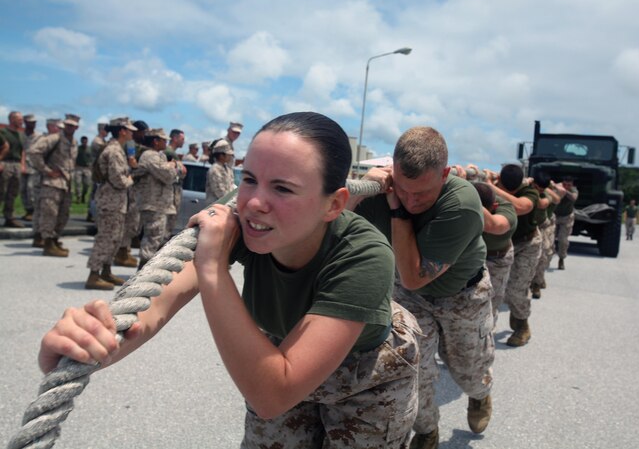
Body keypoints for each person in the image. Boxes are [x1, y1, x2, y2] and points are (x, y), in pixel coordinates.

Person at [37, 112, 420, 448]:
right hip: (284, 347)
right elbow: (154, 307)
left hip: (368, 369)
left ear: (334, 204)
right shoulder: (247, 222)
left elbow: (273, 393)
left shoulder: (366, 254)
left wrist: (213, 269)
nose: (254, 201)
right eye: (249, 178)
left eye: (283, 188)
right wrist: (88, 346)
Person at [350, 126, 494, 445]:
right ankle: (427, 431)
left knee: (468, 369)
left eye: (422, 193)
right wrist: (364, 188)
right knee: (414, 371)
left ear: (443, 174)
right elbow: (326, 224)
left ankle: (480, 394)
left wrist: (397, 209)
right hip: (410, 297)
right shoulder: (384, 190)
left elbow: (415, 274)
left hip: (463, 296)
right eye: (404, 189)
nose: (413, 200)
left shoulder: (462, 203)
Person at [489, 164, 541, 347]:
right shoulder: (495, 184)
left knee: (517, 288)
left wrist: (492, 187)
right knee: (493, 291)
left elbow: (521, 207)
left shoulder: (529, 191)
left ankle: (522, 325)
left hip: (527, 244)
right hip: (505, 244)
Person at [85, 118, 137, 290]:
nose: (132, 133)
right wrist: (131, 178)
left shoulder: (118, 150)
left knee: (114, 238)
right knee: (106, 238)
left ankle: (106, 271)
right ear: (122, 131)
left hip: (117, 202)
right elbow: (118, 180)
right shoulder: (114, 151)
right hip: (110, 201)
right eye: (129, 130)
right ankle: (93, 274)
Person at [29, 113, 80, 256]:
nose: (70, 128)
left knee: (63, 215)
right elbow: (33, 152)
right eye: (68, 125)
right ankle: (48, 243)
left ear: (77, 127)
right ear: (64, 125)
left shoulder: (74, 142)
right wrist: (47, 170)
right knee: (49, 214)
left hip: (66, 183)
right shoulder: (54, 138)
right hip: (52, 184)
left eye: (73, 126)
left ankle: (55, 239)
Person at [471, 180, 517, 328]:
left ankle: (488, 338)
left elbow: (494, 225)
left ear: (494, 207)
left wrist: (469, 199)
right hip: (473, 259)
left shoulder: (506, 209)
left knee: (491, 304)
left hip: (497, 260)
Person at [134, 128, 177, 269]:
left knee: (158, 238)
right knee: (152, 238)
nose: (166, 142)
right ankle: (143, 270)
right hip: (153, 204)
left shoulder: (160, 156)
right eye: (164, 140)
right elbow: (167, 175)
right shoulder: (149, 155)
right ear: (155, 141)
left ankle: (149, 269)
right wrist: (172, 166)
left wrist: (172, 168)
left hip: (160, 204)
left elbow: (175, 175)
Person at [114, 120, 148, 268]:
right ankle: (122, 251)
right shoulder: (130, 145)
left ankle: (124, 249)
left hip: (133, 187)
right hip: (130, 187)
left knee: (133, 222)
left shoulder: (135, 146)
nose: (144, 135)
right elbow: (132, 165)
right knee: (130, 221)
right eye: (143, 132)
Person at [30, 119, 63, 248]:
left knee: (48, 209)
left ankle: (46, 236)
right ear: (50, 127)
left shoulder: (57, 141)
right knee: (40, 208)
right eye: (57, 127)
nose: (60, 130)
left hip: (50, 179)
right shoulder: (43, 139)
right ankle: (38, 236)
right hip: (41, 178)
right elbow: (34, 153)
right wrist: (46, 170)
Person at [530, 175, 563, 299]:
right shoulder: (528, 188)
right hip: (528, 227)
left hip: (543, 227)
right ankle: (531, 282)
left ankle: (536, 284)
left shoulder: (546, 194)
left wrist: (547, 188)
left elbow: (557, 199)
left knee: (543, 257)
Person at [0, 111, 27, 228]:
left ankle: (9, 217)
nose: (21, 121)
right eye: (19, 119)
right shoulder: (3, 132)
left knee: (13, 192)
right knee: (1, 190)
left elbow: (23, 151)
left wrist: (22, 164)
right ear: (11, 119)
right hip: (5, 162)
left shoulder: (21, 135)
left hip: (16, 164)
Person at [165, 128, 187, 237]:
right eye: (182, 139)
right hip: (170, 192)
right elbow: (183, 171)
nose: (183, 141)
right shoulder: (169, 152)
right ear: (174, 138)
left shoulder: (173, 153)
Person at [554, 176, 578, 270]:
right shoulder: (557, 187)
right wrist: (557, 188)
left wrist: (564, 190)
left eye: (569, 185)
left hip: (566, 217)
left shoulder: (573, 190)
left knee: (563, 240)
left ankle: (561, 258)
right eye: (565, 184)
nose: (566, 186)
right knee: (549, 239)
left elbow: (574, 198)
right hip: (554, 216)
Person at [19, 114, 41, 221]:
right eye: (30, 122)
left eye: (34, 123)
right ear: (25, 122)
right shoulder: (20, 135)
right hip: (21, 165)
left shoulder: (39, 136)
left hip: (34, 166)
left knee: (31, 188)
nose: (33, 125)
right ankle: (27, 210)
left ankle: (33, 210)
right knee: (22, 189)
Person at [205, 140, 236, 204]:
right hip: (216, 206)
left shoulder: (228, 169)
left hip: (226, 205)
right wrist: (230, 202)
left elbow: (231, 185)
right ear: (221, 155)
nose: (230, 156)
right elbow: (219, 191)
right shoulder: (215, 169)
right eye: (228, 155)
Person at [72, 135, 93, 203]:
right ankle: (78, 197)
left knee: (87, 184)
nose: (84, 143)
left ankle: (83, 196)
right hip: (78, 168)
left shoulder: (90, 149)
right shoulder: (78, 149)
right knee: (78, 183)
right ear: (81, 142)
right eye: (83, 142)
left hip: (87, 168)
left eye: (85, 142)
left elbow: (92, 158)